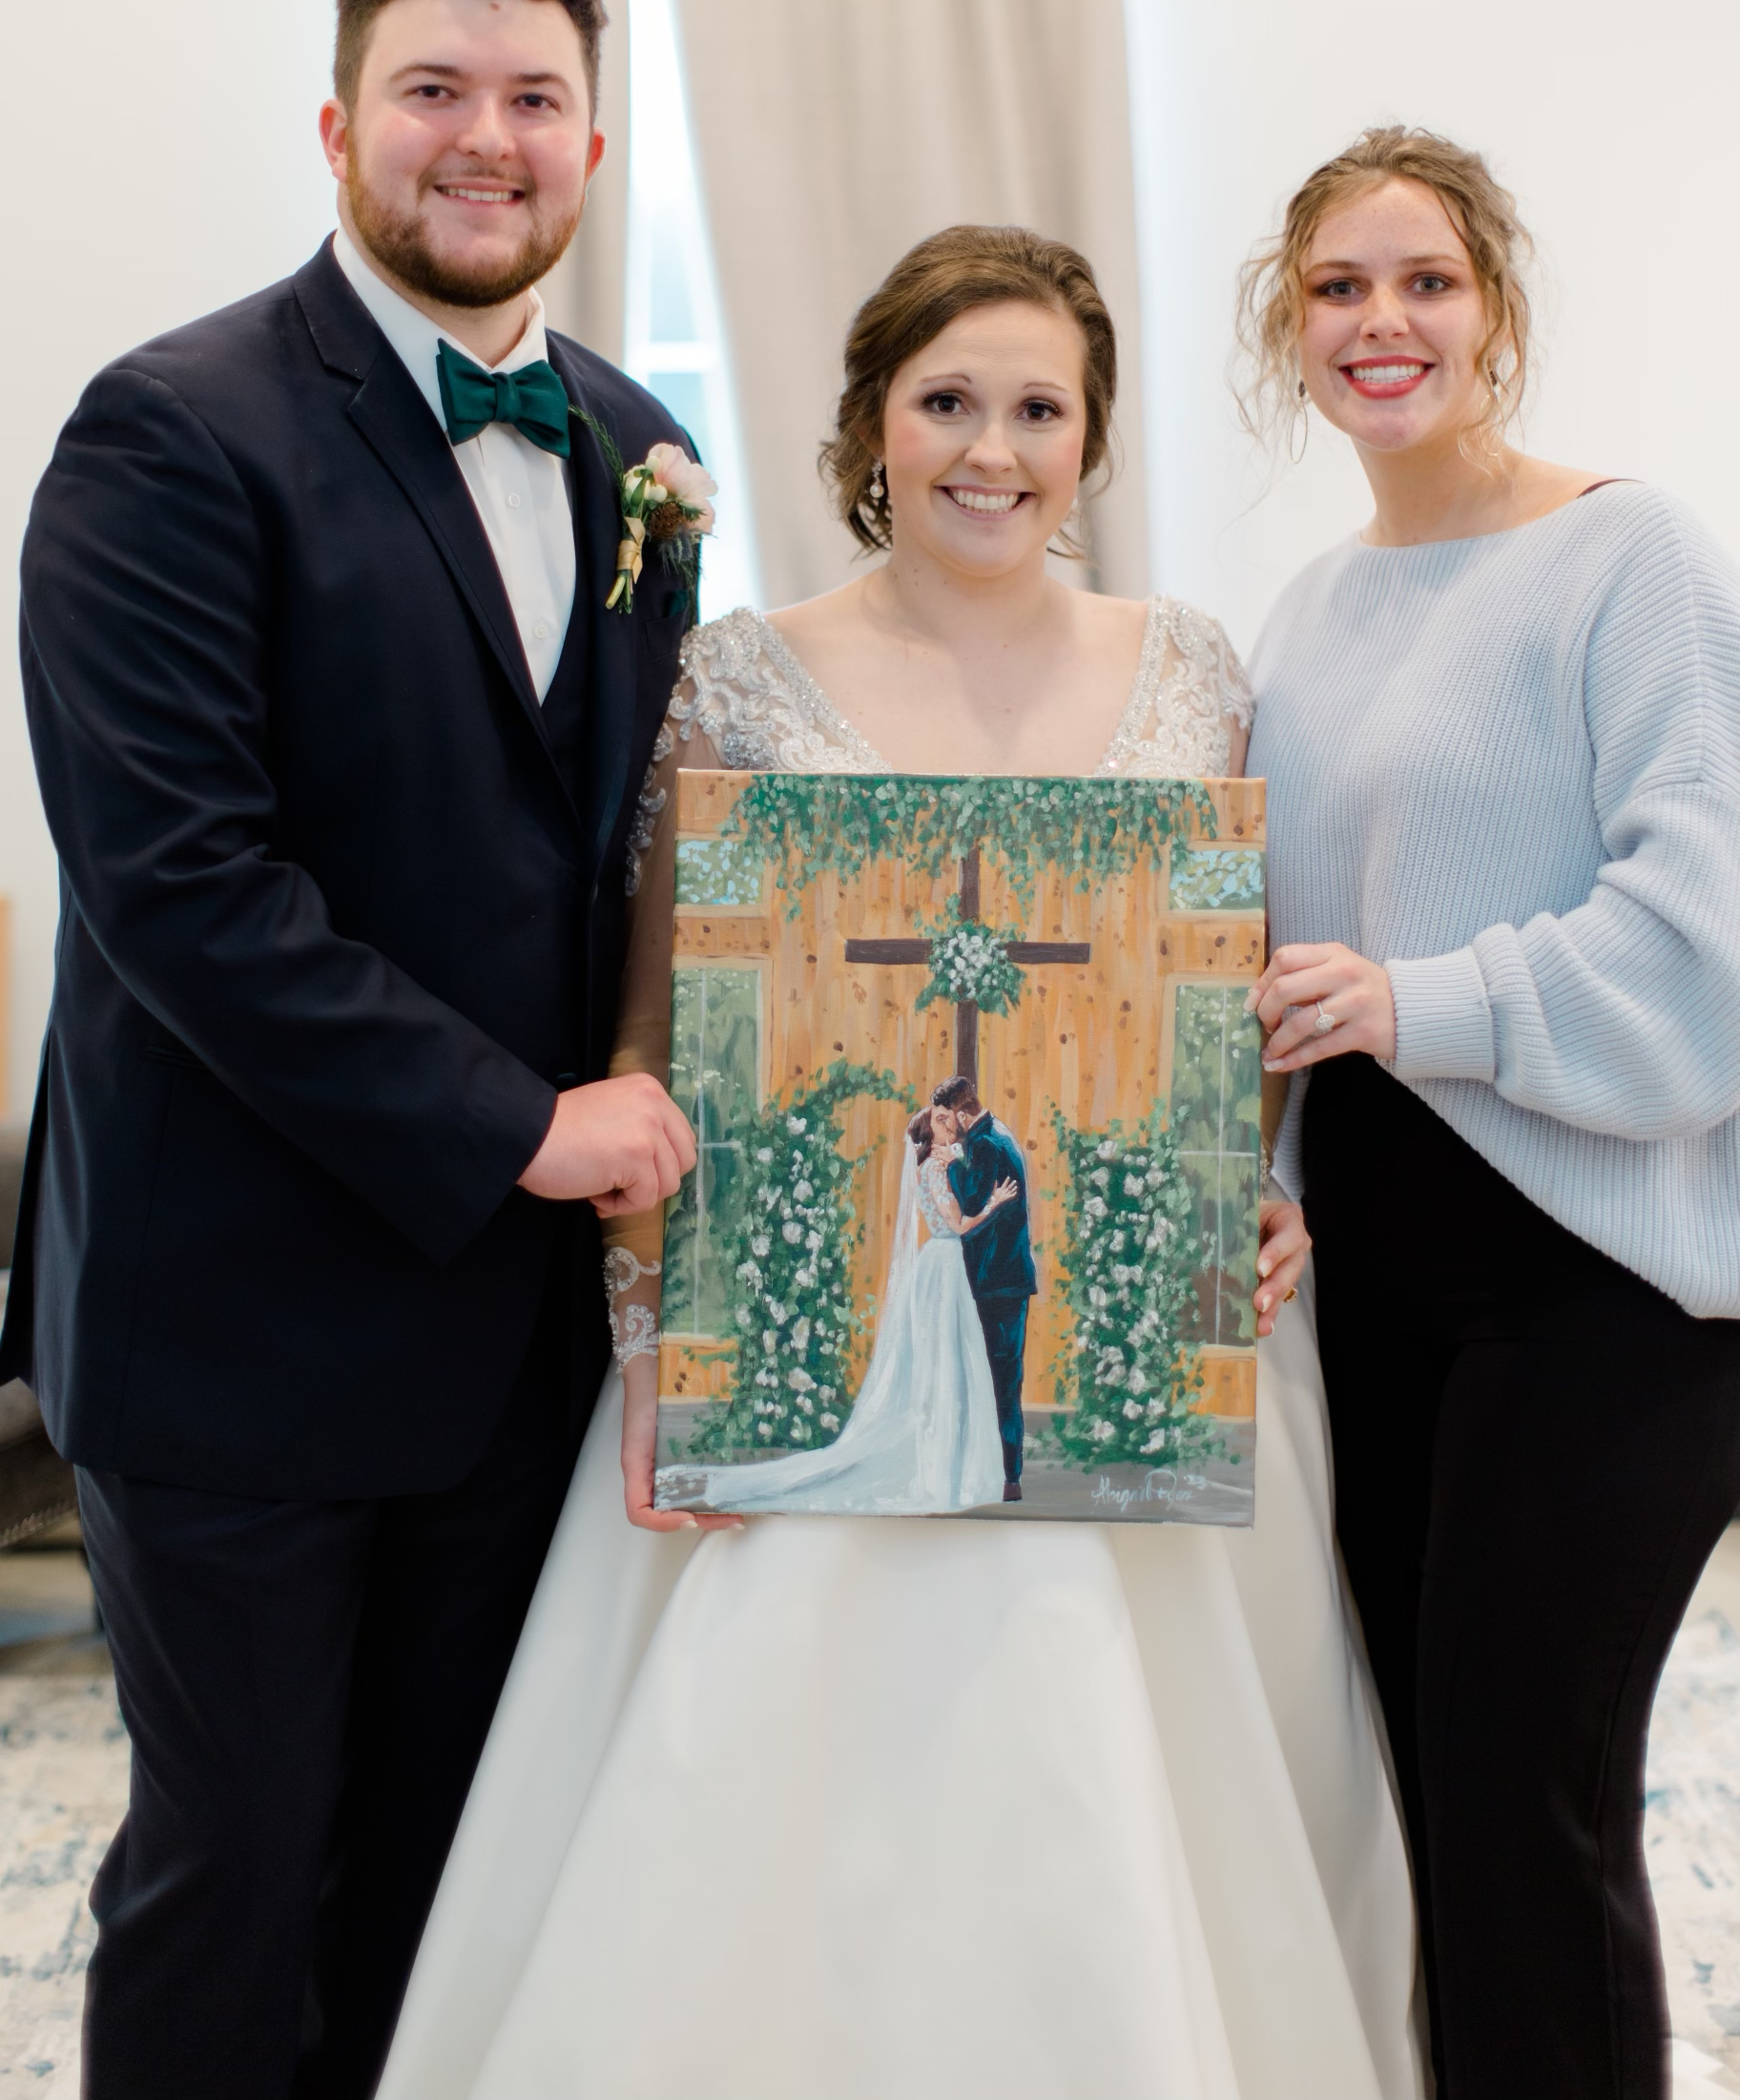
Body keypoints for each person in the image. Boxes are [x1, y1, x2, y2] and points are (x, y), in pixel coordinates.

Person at [380, 223, 1426, 2100]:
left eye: (1039, 409)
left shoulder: (1190, 670)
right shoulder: (741, 675)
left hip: (1130, 1350)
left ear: (1090, 440)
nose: (989, 449)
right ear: (871, 422)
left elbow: (1209, 1000)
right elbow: (655, 1040)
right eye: (946, 401)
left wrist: (1259, 1188)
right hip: (808, 1359)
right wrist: (657, 1338)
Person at [2, 0, 699, 2100]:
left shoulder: (637, 446)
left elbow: (651, 862)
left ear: (594, 147)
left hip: (509, 1337)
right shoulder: (169, 430)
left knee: (441, 1873)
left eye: (533, 98)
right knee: (236, 1868)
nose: (484, 137)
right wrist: (525, 1123)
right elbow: (180, 890)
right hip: (239, 1323)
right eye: (433, 89)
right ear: (337, 125)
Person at [1240, 127, 1740, 2100]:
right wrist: (1262, 1180)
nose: (1382, 320)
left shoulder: (1627, 559)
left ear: (1495, 313)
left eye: (1424, 280)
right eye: (1337, 287)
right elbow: (1275, 963)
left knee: (1525, 1807)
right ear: (1289, 332)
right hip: (1374, 1284)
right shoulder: (1300, 615)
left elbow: (1701, 943)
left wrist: (1417, 998)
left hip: (1598, 1285)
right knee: (1422, 1811)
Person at [664, 1098, 1011, 1514]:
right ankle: (949, 1470)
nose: (949, 1123)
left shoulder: (931, 1167)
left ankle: (953, 1464)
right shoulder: (935, 1170)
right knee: (947, 1360)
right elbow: (958, 1225)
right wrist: (994, 1203)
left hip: (938, 1264)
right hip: (945, 1265)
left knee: (948, 1359)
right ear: (929, 1136)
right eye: (940, 1120)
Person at [938, 1073, 1036, 1496]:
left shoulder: (983, 1145)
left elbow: (973, 1207)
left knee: (996, 1380)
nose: (948, 1127)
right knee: (1006, 1379)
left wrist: (951, 1166)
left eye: (948, 1118)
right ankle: (1007, 1474)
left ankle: (1005, 1476)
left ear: (961, 1115)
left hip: (994, 1282)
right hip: (1010, 1279)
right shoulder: (1001, 1134)